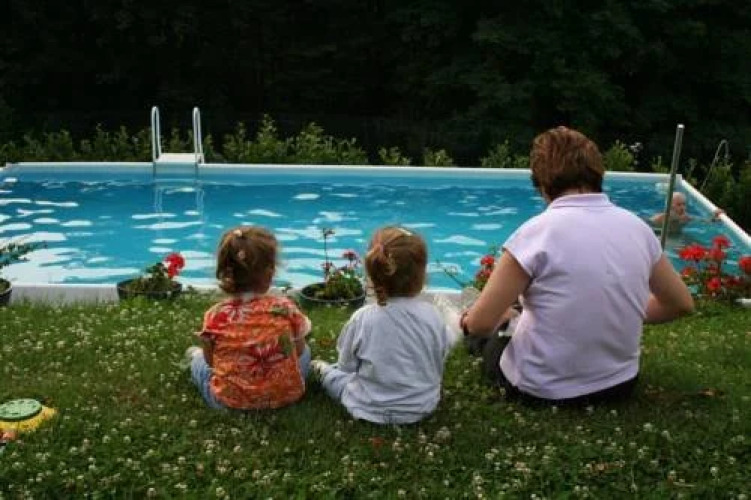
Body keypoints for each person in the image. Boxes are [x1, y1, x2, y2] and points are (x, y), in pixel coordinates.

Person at [460, 126, 695, 405]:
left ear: (542, 183)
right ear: (598, 173)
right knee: (521, 310)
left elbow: (481, 323)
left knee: (485, 334)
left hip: (543, 389)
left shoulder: (535, 234)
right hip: (619, 384)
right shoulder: (637, 228)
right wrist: (614, 311)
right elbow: (680, 303)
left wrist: (472, 321)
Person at [311, 226, 452, 424]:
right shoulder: (434, 316)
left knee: (335, 376)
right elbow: (441, 353)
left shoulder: (362, 319)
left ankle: (320, 369)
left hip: (369, 407)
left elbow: (346, 366)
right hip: (423, 406)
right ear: (421, 276)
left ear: (373, 272)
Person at [186, 225, 312, 410]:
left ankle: (193, 356)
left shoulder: (216, 315)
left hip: (229, 403)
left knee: (199, 362)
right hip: (285, 396)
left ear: (225, 273)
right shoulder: (284, 308)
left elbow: (211, 361)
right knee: (306, 350)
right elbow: (299, 351)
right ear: (269, 273)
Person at [649, 191, 723, 235]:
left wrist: (714, 216)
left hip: (676, 236)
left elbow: (704, 221)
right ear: (670, 207)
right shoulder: (662, 217)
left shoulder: (685, 218)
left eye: (684, 204)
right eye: (679, 205)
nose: (682, 207)